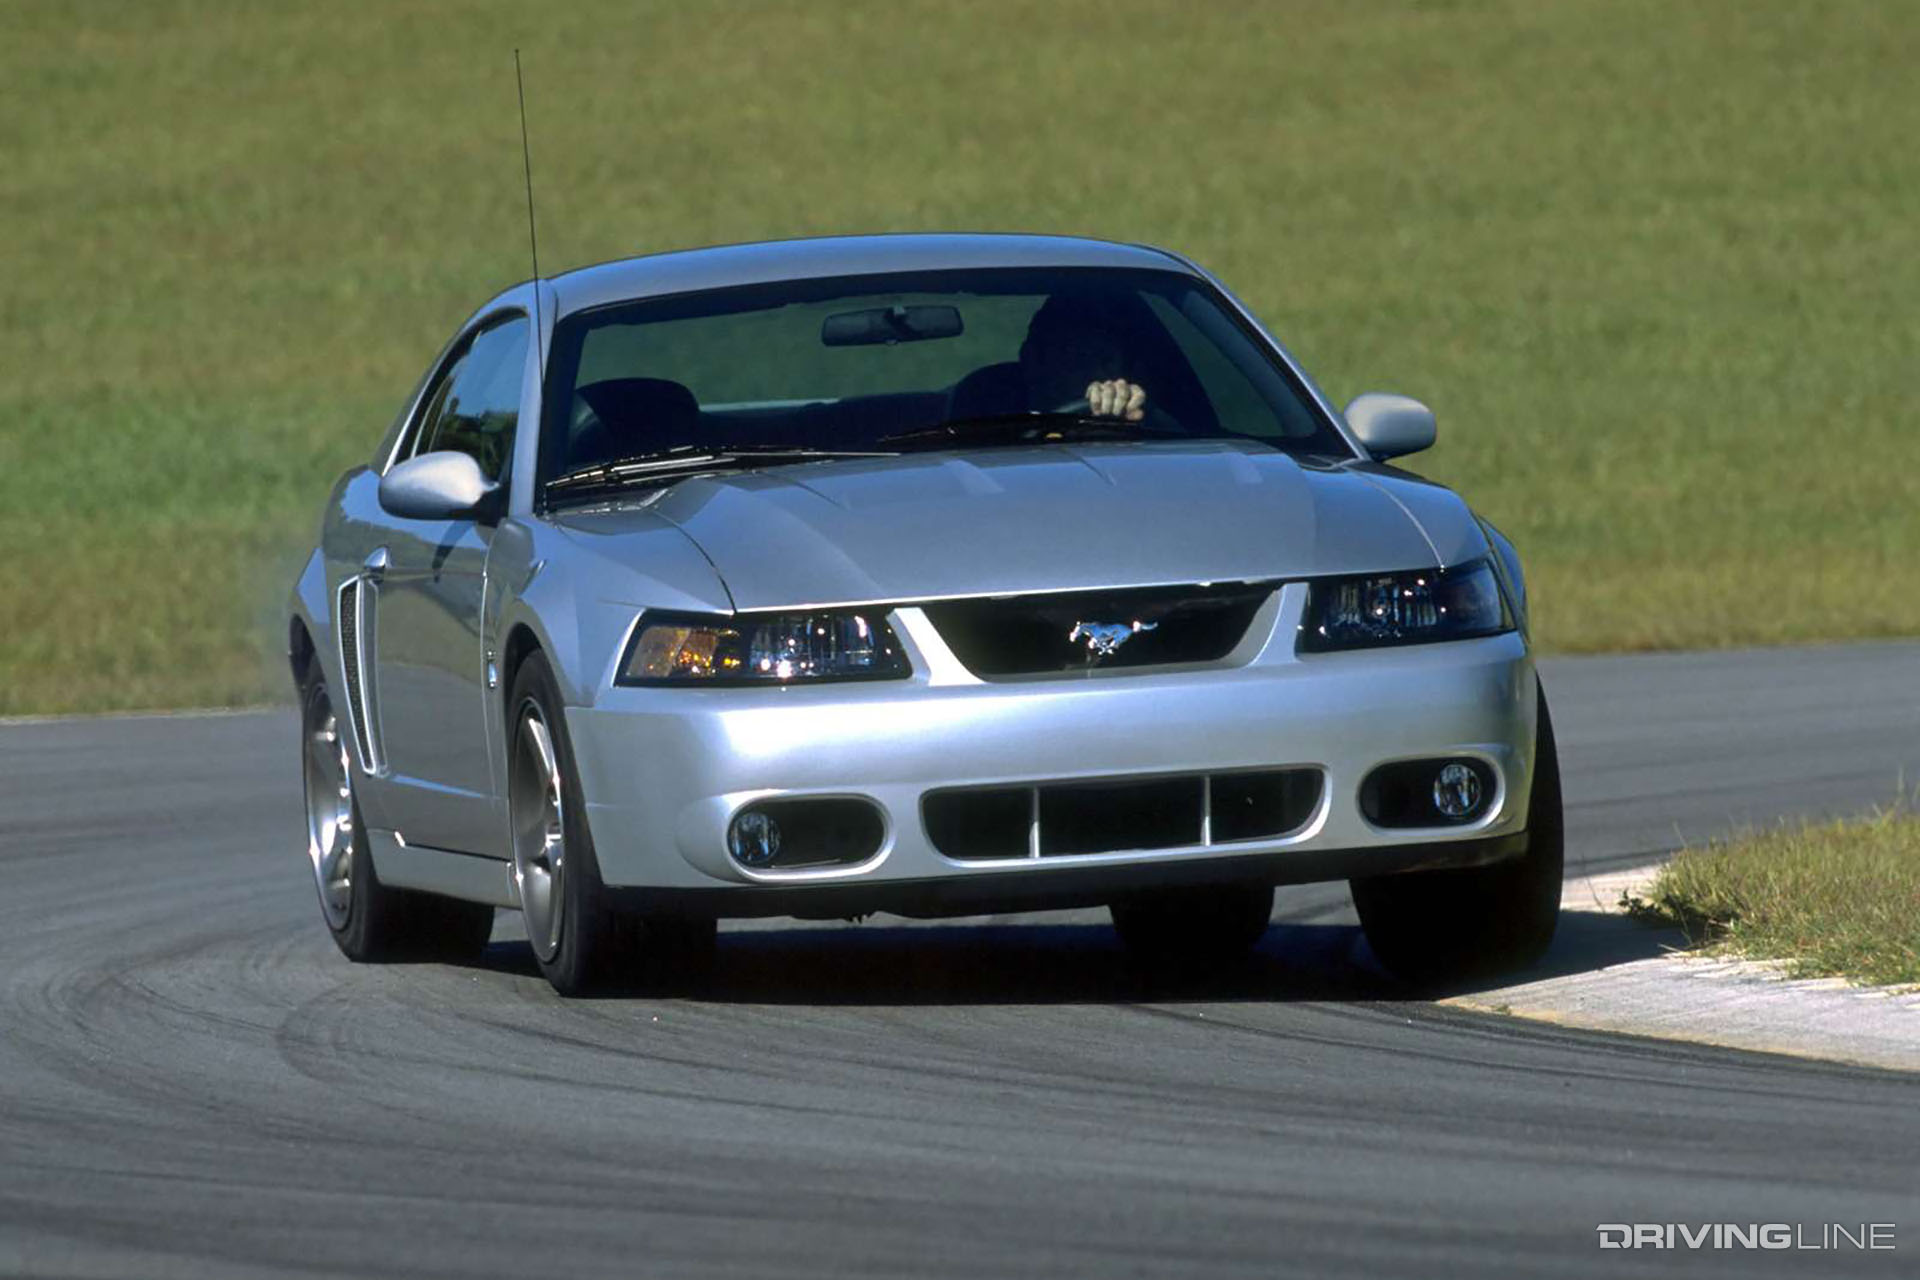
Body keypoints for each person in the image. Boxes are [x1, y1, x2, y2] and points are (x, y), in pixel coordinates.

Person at [1016, 296, 1150, 421]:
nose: (1098, 375)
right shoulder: (998, 424)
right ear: (1033, 360)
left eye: (1107, 361)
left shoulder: (1148, 431)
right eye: (1081, 360)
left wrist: (1131, 407)